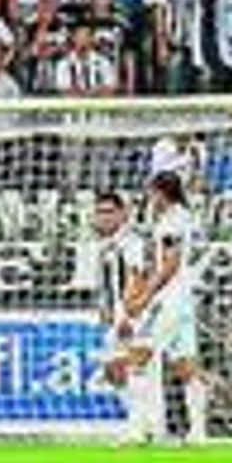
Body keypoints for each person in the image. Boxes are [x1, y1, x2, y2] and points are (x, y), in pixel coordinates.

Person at [124, 172, 210, 444]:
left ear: (162, 193)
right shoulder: (183, 216)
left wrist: (144, 297)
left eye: (152, 193)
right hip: (185, 298)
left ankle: (138, 431)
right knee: (186, 365)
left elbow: (170, 265)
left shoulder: (173, 220)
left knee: (138, 355)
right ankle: (198, 432)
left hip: (169, 299)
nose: (150, 198)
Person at [92, 190, 160, 446]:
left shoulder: (131, 241)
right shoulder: (106, 244)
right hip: (115, 314)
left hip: (133, 314)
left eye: (109, 212)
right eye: (100, 212)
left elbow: (136, 277)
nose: (103, 217)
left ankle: (138, 428)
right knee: (113, 371)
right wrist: (105, 312)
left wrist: (126, 314)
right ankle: (145, 423)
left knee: (132, 366)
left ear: (123, 214)